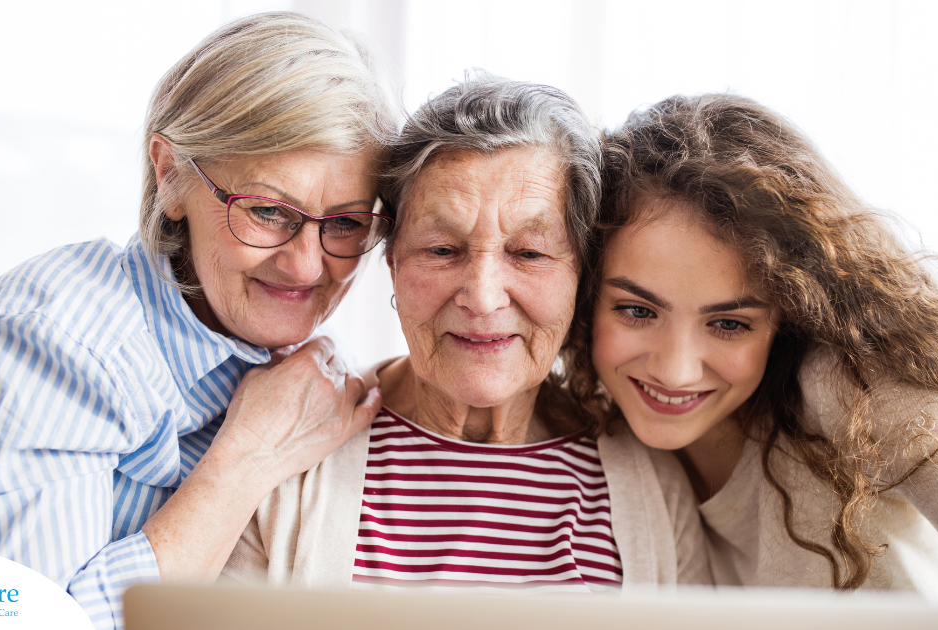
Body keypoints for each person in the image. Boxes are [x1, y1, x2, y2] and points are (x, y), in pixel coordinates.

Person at [0, 12, 397, 629]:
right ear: (172, 175)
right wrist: (246, 460)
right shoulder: (54, 339)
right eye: (265, 211)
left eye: (345, 223)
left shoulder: (292, 366)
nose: (306, 264)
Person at [220, 73, 709, 592]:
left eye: (529, 254)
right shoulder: (290, 451)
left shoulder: (653, 485)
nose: (482, 296)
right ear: (392, 261)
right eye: (442, 250)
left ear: (580, 273)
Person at [569, 93, 938, 626]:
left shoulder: (851, 392)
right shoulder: (599, 439)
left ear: (788, 315)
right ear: (584, 296)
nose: (675, 369)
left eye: (728, 324)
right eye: (637, 310)